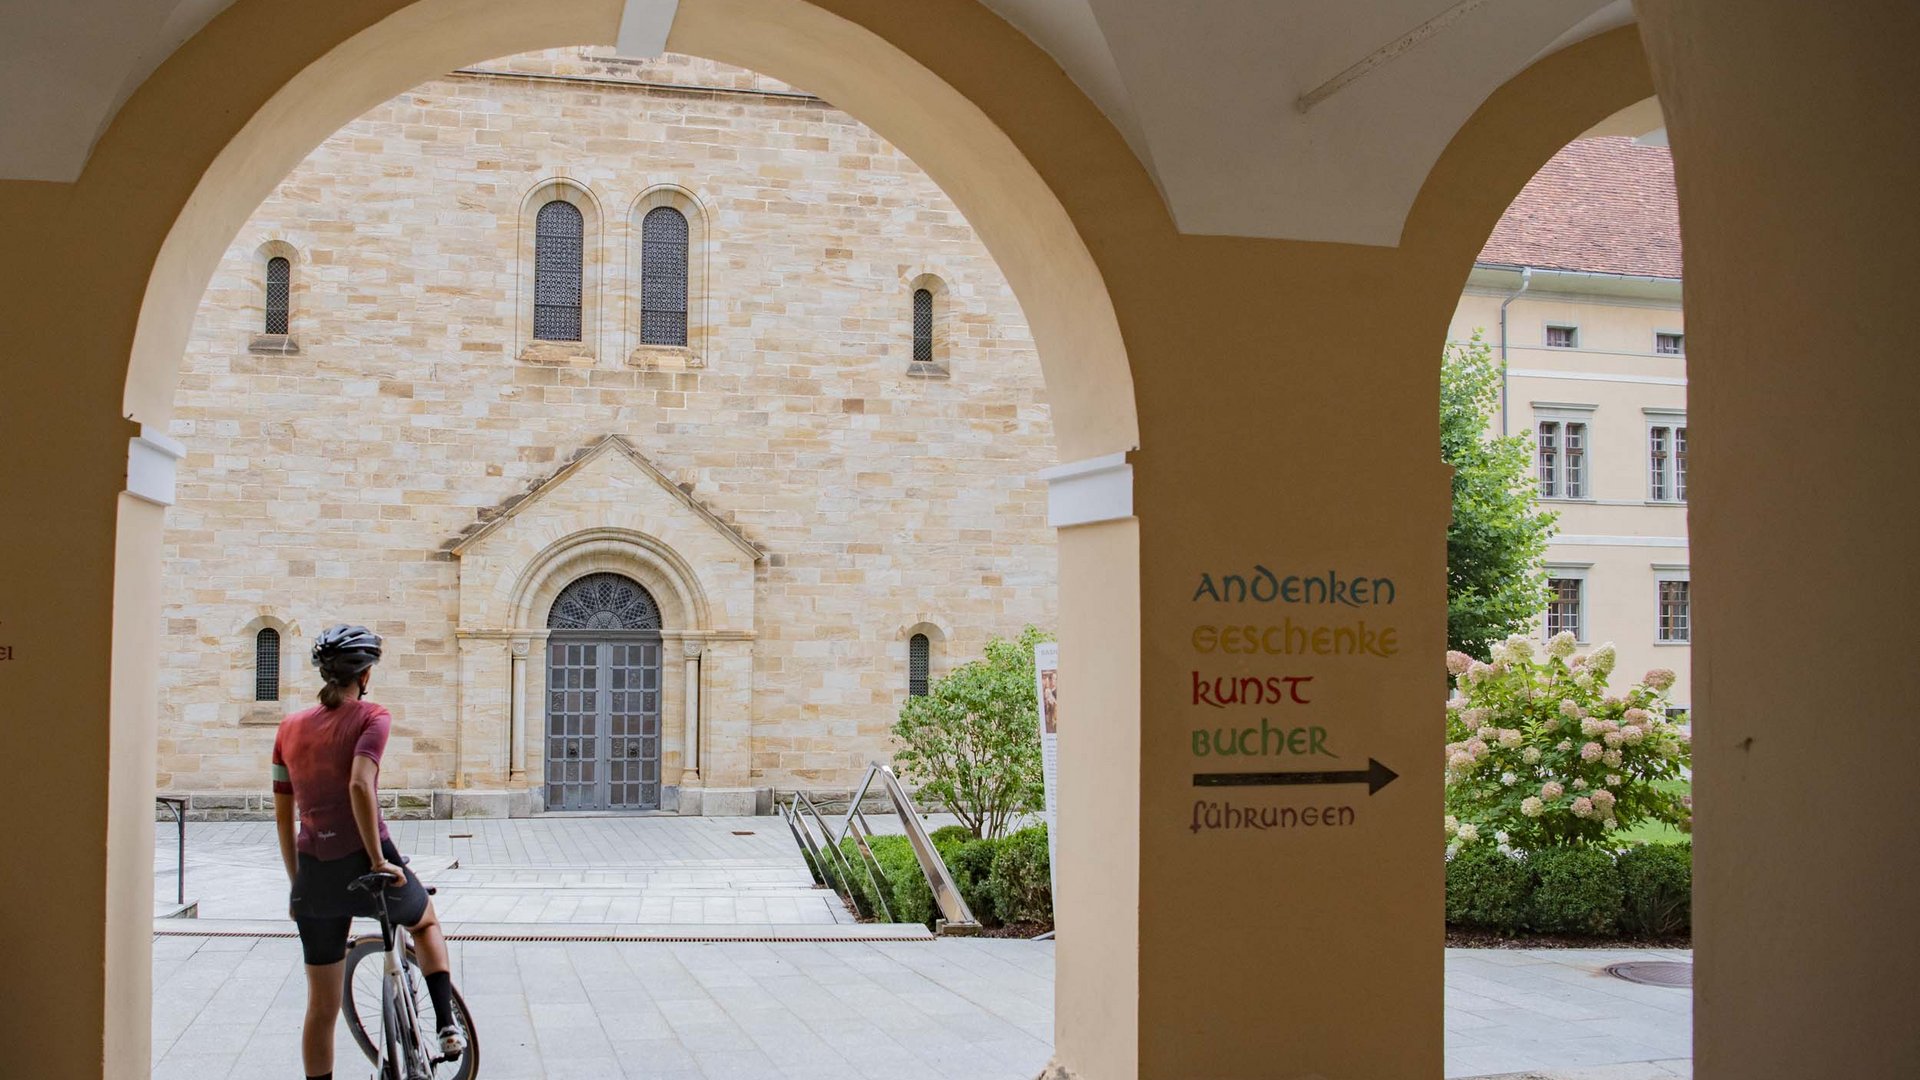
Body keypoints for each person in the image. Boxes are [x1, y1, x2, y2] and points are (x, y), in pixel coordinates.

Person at [272, 624, 465, 1080]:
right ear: (366, 674)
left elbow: (284, 812)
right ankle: (444, 1024)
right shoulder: (371, 715)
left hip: (314, 872)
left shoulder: (288, 727)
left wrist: (296, 879)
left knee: (320, 1008)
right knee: (426, 920)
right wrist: (378, 860)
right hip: (365, 858)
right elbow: (360, 783)